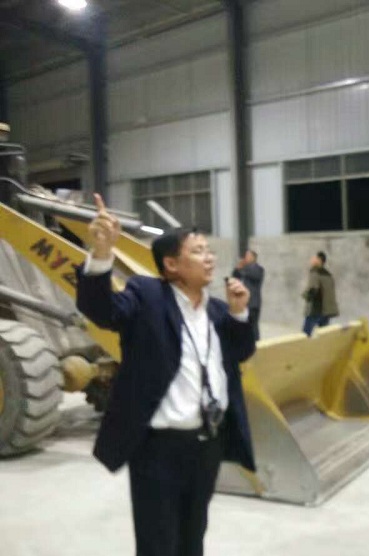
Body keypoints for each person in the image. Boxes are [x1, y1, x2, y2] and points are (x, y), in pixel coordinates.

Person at [77, 194, 256, 556]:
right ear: (172, 264)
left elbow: (241, 352)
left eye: (209, 250)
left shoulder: (216, 310)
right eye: (198, 251)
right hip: (159, 449)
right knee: (158, 543)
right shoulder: (147, 297)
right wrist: (102, 254)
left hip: (207, 444)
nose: (210, 258)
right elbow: (102, 310)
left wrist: (239, 313)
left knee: (193, 536)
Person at [301, 251, 339, 336]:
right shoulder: (328, 275)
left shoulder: (315, 272)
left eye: (315, 258)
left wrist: (306, 295)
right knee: (323, 336)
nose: (312, 260)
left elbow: (313, 289)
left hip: (315, 309)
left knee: (305, 335)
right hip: (326, 311)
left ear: (319, 260)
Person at [233, 249, 265, 341]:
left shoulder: (258, 269)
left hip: (253, 303)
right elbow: (235, 277)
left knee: (253, 326)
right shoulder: (245, 269)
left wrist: (243, 268)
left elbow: (254, 275)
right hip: (243, 302)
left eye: (248, 256)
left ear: (253, 258)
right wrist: (237, 268)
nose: (245, 258)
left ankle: (256, 344)